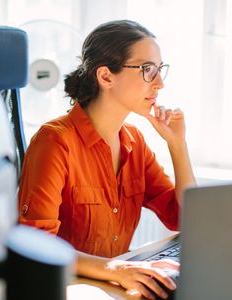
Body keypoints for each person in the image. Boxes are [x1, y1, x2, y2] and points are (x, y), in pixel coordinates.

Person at [18, 19, 196, 299]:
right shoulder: (55, 142)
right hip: (65, 290)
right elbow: (38, 247)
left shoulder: (134, 142)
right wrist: (114, 268)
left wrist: (177, 144)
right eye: (147, 70)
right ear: (105, 77)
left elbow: (185, 219)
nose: (159, 83)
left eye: (160, 70)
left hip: (110, 289)